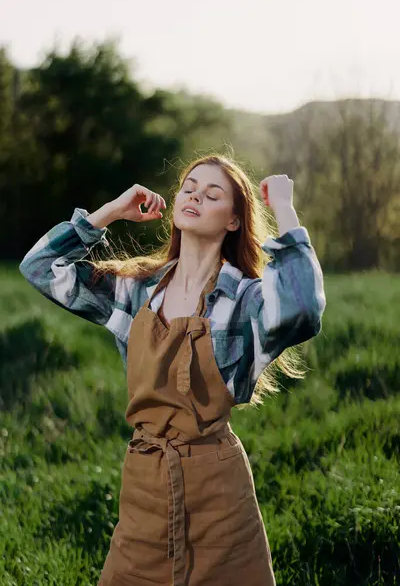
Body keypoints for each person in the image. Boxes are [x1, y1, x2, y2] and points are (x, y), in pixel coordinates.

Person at [19, 154, 326, 586]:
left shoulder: (244, 301)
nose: (195, 195)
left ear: (234, 221)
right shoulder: (137, 290)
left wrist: (285, 208)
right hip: (144, 487)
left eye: (212, 193)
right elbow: (39, 269)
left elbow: (304, 307)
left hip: (220, 500)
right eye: (189, 187)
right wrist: (109, 213)